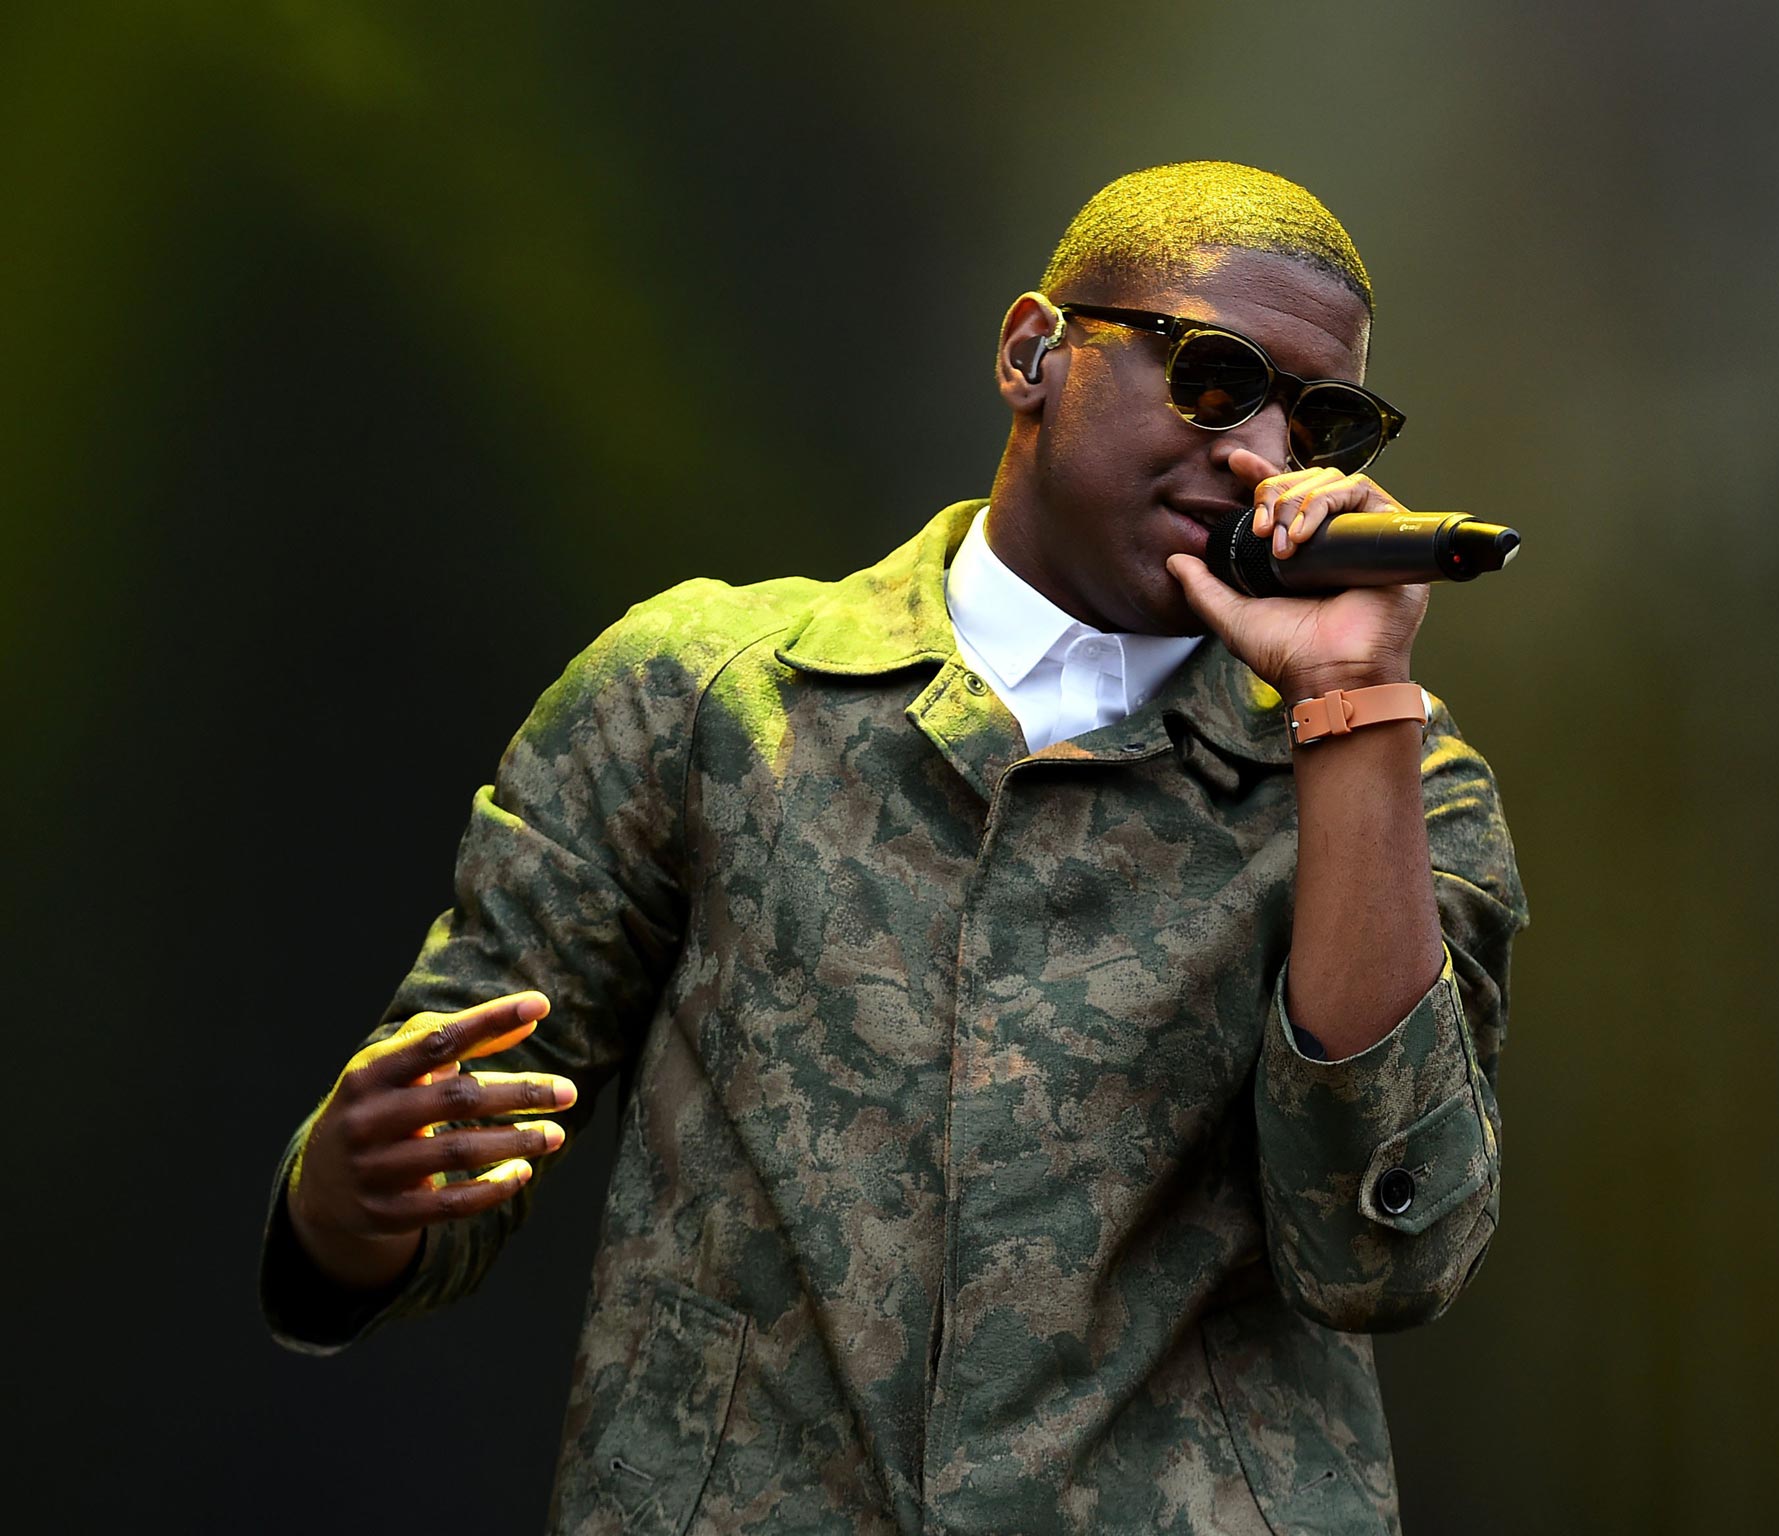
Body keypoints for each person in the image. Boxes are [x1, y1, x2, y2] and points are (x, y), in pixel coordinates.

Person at [261, 160, 1529, 1535]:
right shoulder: (707, 693)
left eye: (1326, 423)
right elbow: (451, 1133)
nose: (1268, 459)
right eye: (1216, 379)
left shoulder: (1395, 777)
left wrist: (1348, 711)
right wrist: (348, 1197)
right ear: (1034, 351)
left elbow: (1380, 1255)